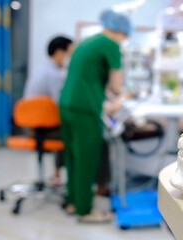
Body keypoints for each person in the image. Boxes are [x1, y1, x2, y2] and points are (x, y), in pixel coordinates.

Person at [59, 10, 131, 222]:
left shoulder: (87, 42)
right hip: (84, 108)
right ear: (121, 31)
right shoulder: (111, 45)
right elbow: (116, 85)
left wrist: (105, 95)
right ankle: (85, 210)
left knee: (73, 157)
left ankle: (74, 202)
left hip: (67, 104)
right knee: (87, 159)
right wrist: (124, 95)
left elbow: (91, 79)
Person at [23, 36, 73, 185]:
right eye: (69, 53)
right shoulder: (55, 75)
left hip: (31, 127)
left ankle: (56, 175)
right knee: (72, 133)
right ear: (59, 52)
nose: (70, 58)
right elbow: (61, 103)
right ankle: (72, 181)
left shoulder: (39, 69)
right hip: (43, 130)